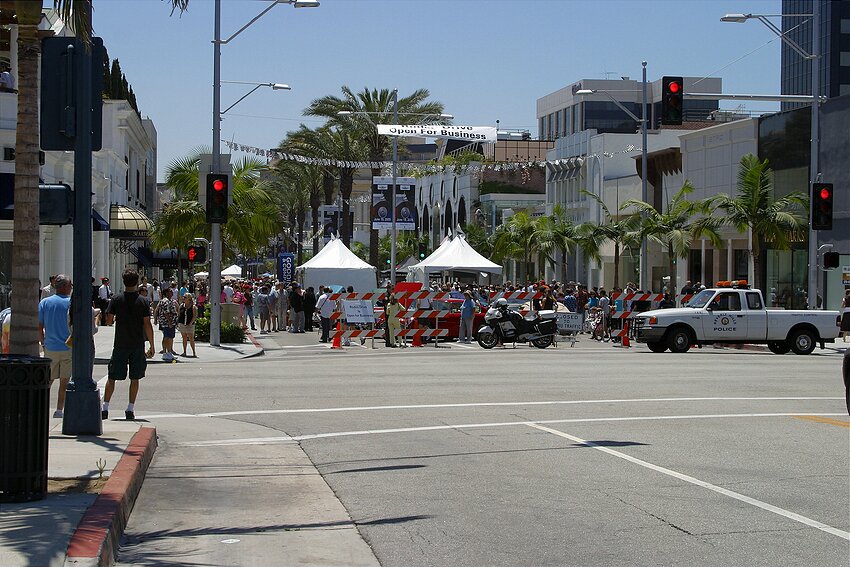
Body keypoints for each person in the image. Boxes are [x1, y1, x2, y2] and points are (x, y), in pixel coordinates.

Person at [102, 269, 155, 421]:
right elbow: (147, 324)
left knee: (112, 377)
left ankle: (105, 407)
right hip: (137, 343)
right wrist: (152, 345)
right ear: (137, 282)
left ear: (123, 281)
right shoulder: (143, 301)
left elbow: (109, 321)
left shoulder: (116, 299)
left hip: (120, 343)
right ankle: (130, 409)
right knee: (135, 378)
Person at [38, 274, 72, 418]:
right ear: (64, 286)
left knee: (48, 380)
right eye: (70, 285)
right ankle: (59, 410)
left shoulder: (45, 303)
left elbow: (39, 326)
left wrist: (43, 342)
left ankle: (41, 407)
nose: (71, 288)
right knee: (64, 382)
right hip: (68, 347)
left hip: (50, 347)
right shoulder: (71, 303)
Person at [158, 287, 178, 361]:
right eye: (170, 292)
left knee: (169, 337)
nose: (172, 293)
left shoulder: (170, 301)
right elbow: (166, 312)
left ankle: (169, 352)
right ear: (166, 293)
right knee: (167, 337)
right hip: (167, 323)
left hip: (170, 322)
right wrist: (169, 322)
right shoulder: (166, 301)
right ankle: (165, 353)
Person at [177, 292, 198, 357]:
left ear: (189, 299)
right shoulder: (181, 305)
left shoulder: (193, 307)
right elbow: (179, 314)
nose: (183, 298)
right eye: (183, 297)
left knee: (191, 338)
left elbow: (194, 316)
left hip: (190, 325)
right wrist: (178, 323)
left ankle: (194, 352)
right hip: (182, 324)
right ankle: (184, 352)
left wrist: (190, 323)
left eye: (185, 297)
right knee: (184, 338)